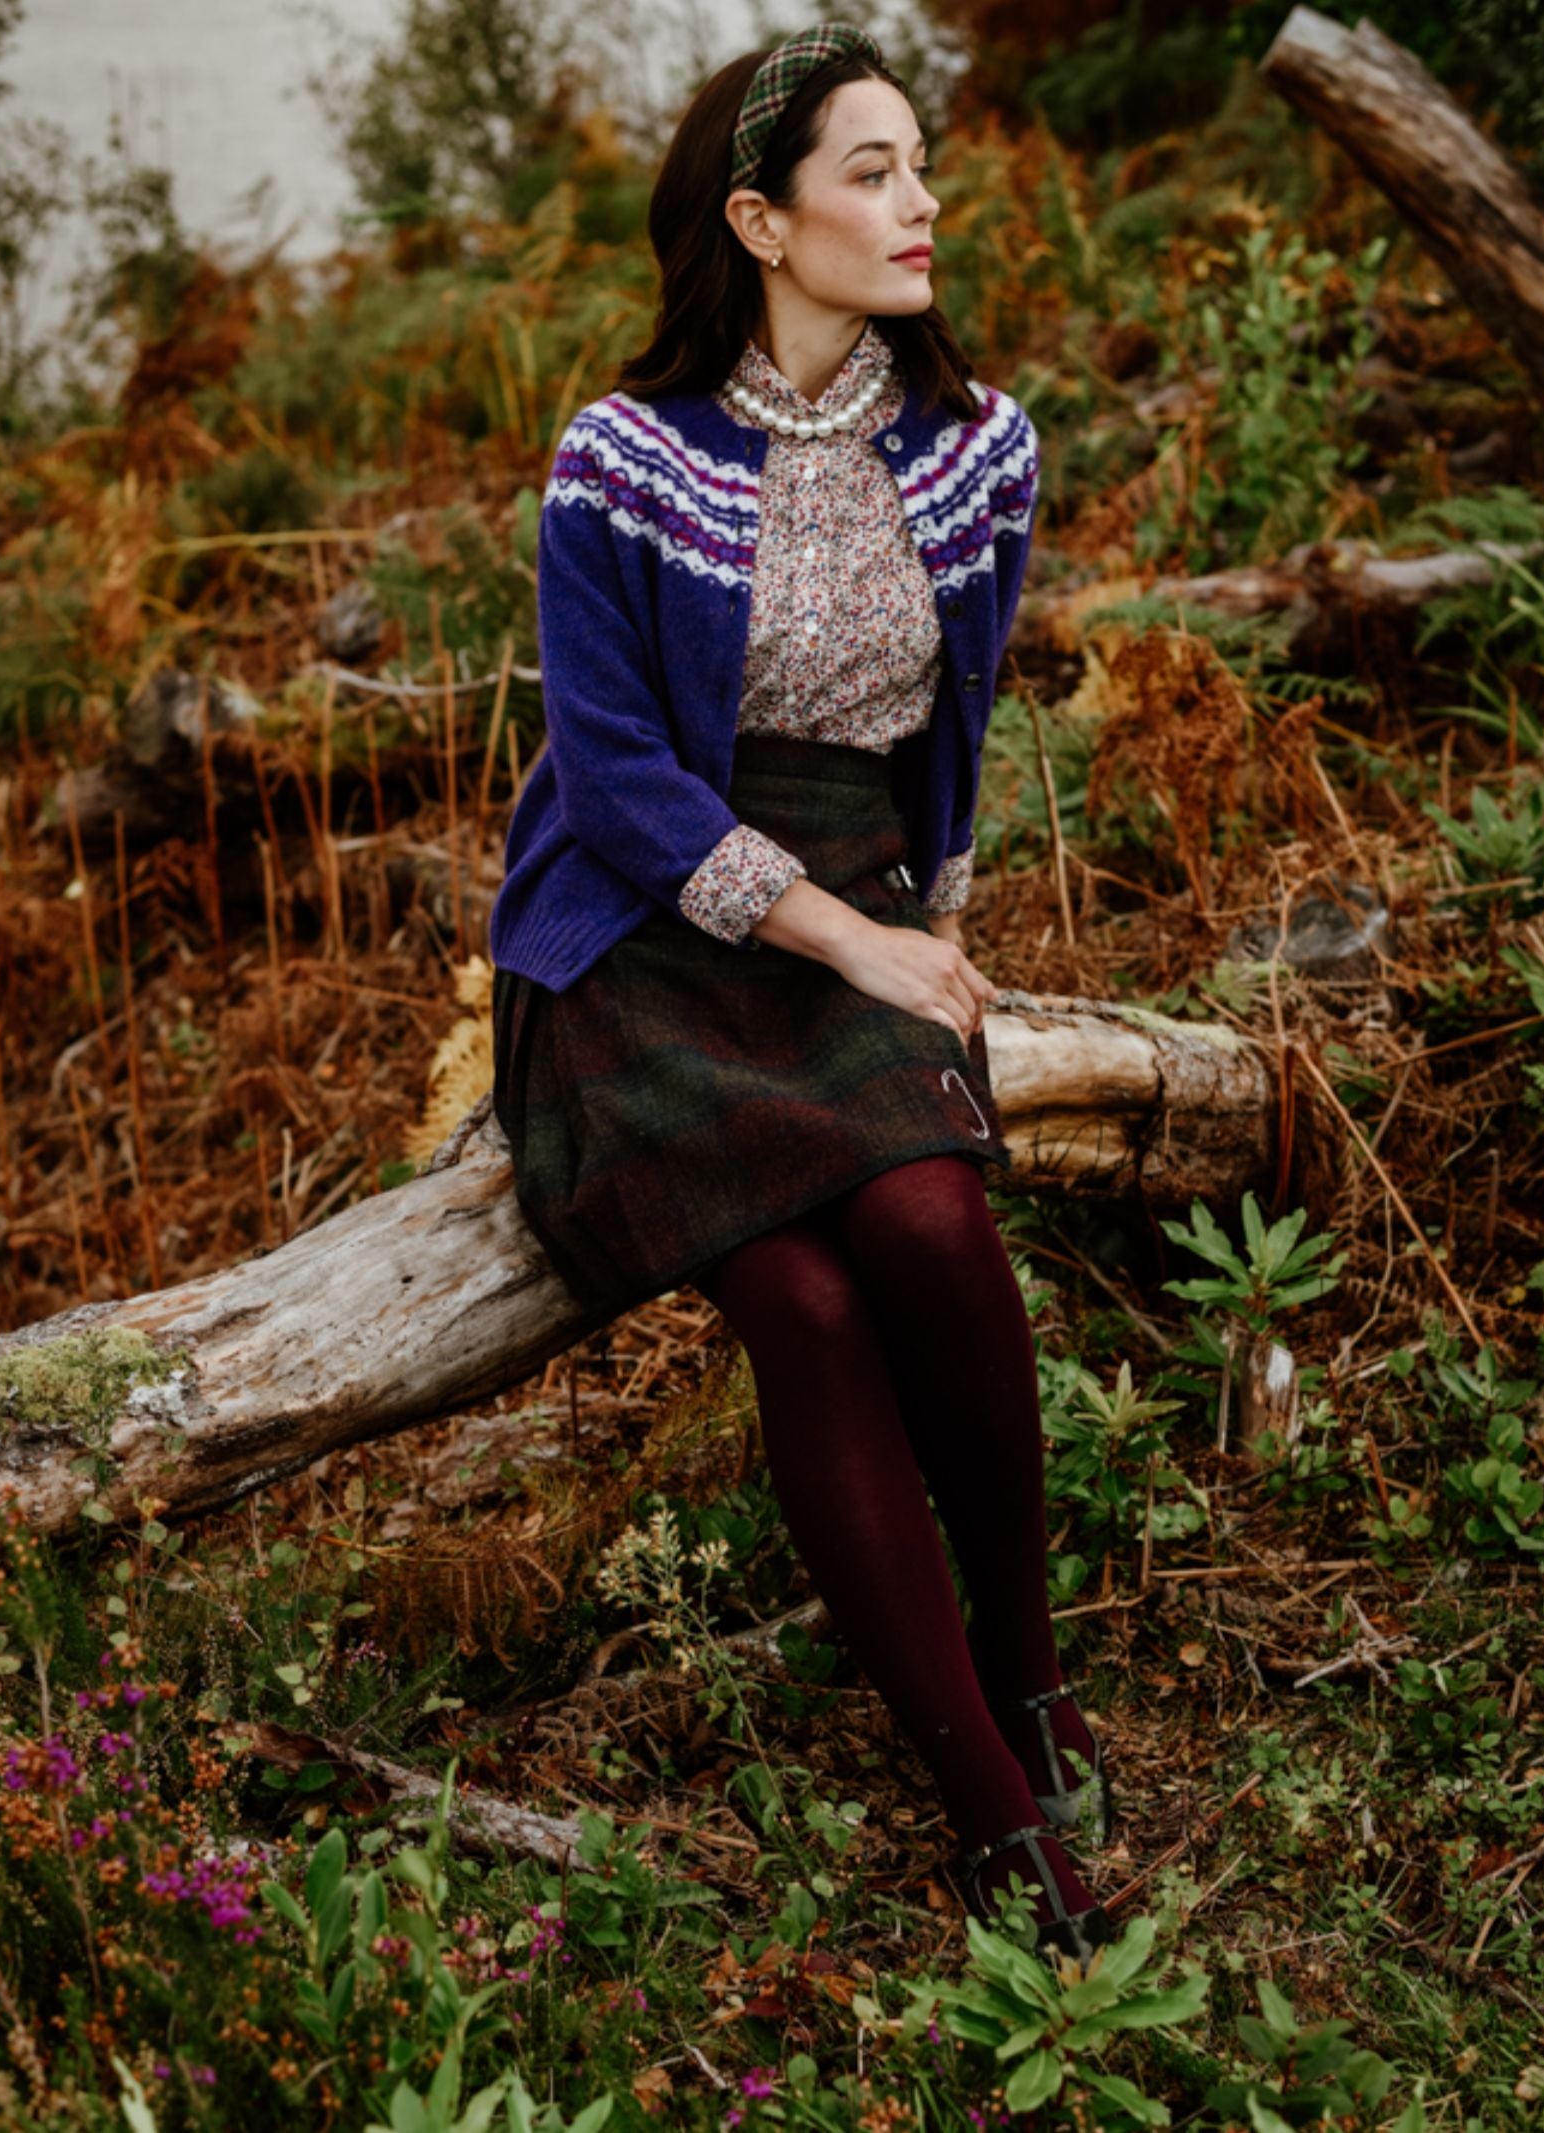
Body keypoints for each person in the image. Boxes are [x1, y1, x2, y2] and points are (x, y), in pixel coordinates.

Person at [489, 22, 1115, 1960]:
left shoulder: (978, 444)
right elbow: (609, 778)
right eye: (867, 171)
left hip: (849, 883)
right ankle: (987, 1807)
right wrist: (853, 947)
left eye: (916, 162)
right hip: (634, 930)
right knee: (803, 1292)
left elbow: (957, 724)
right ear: (760, 221)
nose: (917, 202)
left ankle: (1018, 1667)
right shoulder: (621, 460)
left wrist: (929, 924)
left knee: (927, 1214)